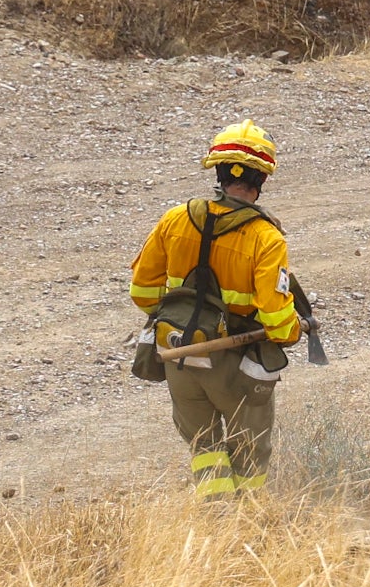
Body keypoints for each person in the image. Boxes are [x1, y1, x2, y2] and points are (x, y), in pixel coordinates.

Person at [129, 122, 303, 501]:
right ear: (261, 178)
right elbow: (275, 317)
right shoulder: (265, 237)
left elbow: (142, 292)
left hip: (179, 357)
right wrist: (293, 331)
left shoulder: (175, 219)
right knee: (249, 453)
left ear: (219, 172)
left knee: (205, 449)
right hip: (235, 364)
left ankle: (216, 520)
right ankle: (251, 522)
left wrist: (183, 311)